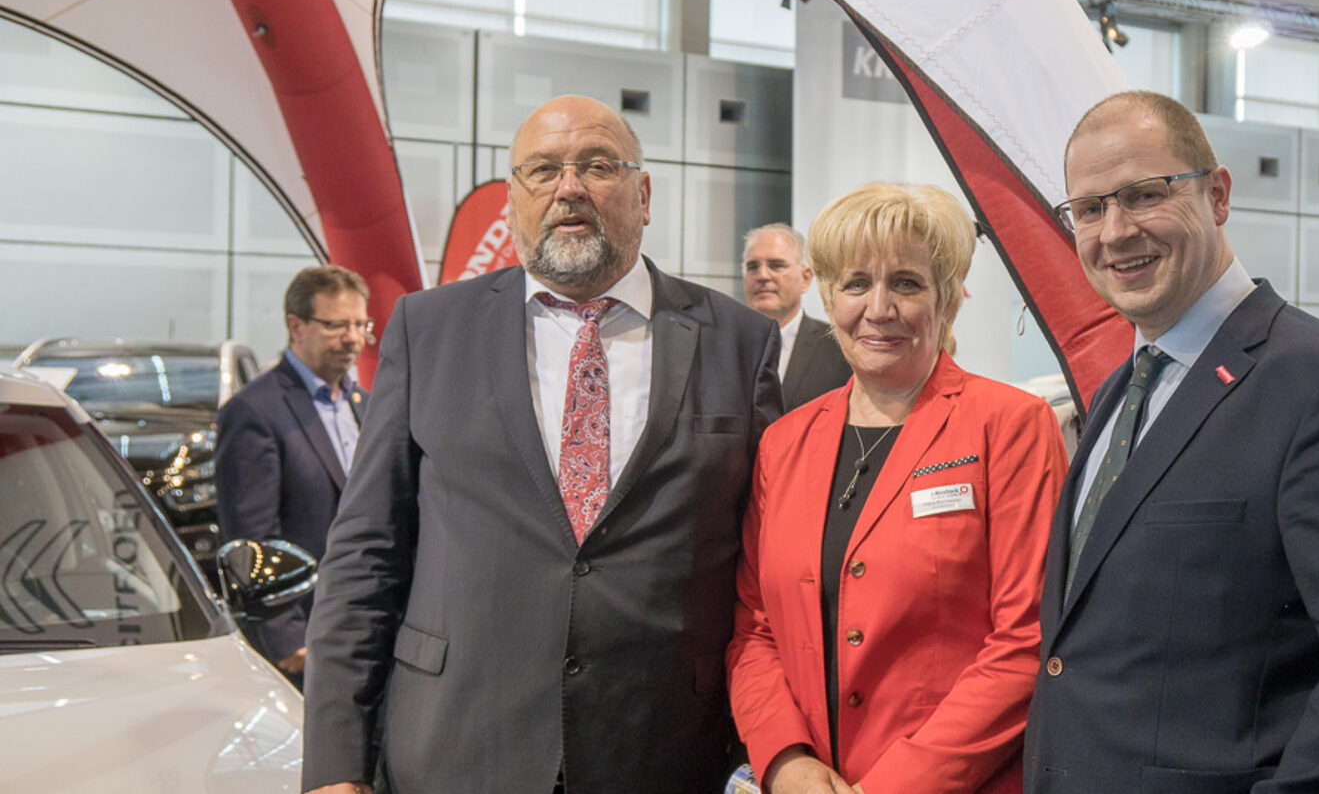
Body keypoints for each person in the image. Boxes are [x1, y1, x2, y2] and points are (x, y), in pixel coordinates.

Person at [300, 95, 783, 794]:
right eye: (543, 169)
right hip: (455, 745)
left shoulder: (740, 341)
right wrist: (335, 765)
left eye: (597, 165)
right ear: (512, 199)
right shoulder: (428, 329)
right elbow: (364, 554)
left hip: (665, 749)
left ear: (643, 194)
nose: (570, 187)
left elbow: (768, 567)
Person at [1025, 91, 1319, 793]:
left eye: (1144, 195)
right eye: (1089, 208)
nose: (1114, 231)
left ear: (1218, 193)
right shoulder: (1120, 392)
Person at [728, 183, 1066, 794]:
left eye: (906, 284)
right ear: (828, 297)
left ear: (948, 299)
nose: (878, 309)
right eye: (856, 284)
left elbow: (1026, 639)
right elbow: (755, 629)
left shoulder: (1010, 426)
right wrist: (784, 761)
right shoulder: (785, 441)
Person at [214, 264, 371, 685]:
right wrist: (284, 637)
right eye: (337, 325)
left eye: (360, 324)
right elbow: (251, 540)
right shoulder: (254, 412)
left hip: (366, 625)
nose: (353, 338)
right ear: (295, 326)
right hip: (304, 638)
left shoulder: (366, 405)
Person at [743, 223, 852, 411]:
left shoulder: (840, 347)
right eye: (752, 267)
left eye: (776, 265)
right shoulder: (722, 347)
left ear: (806, 278)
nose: (762, 275)